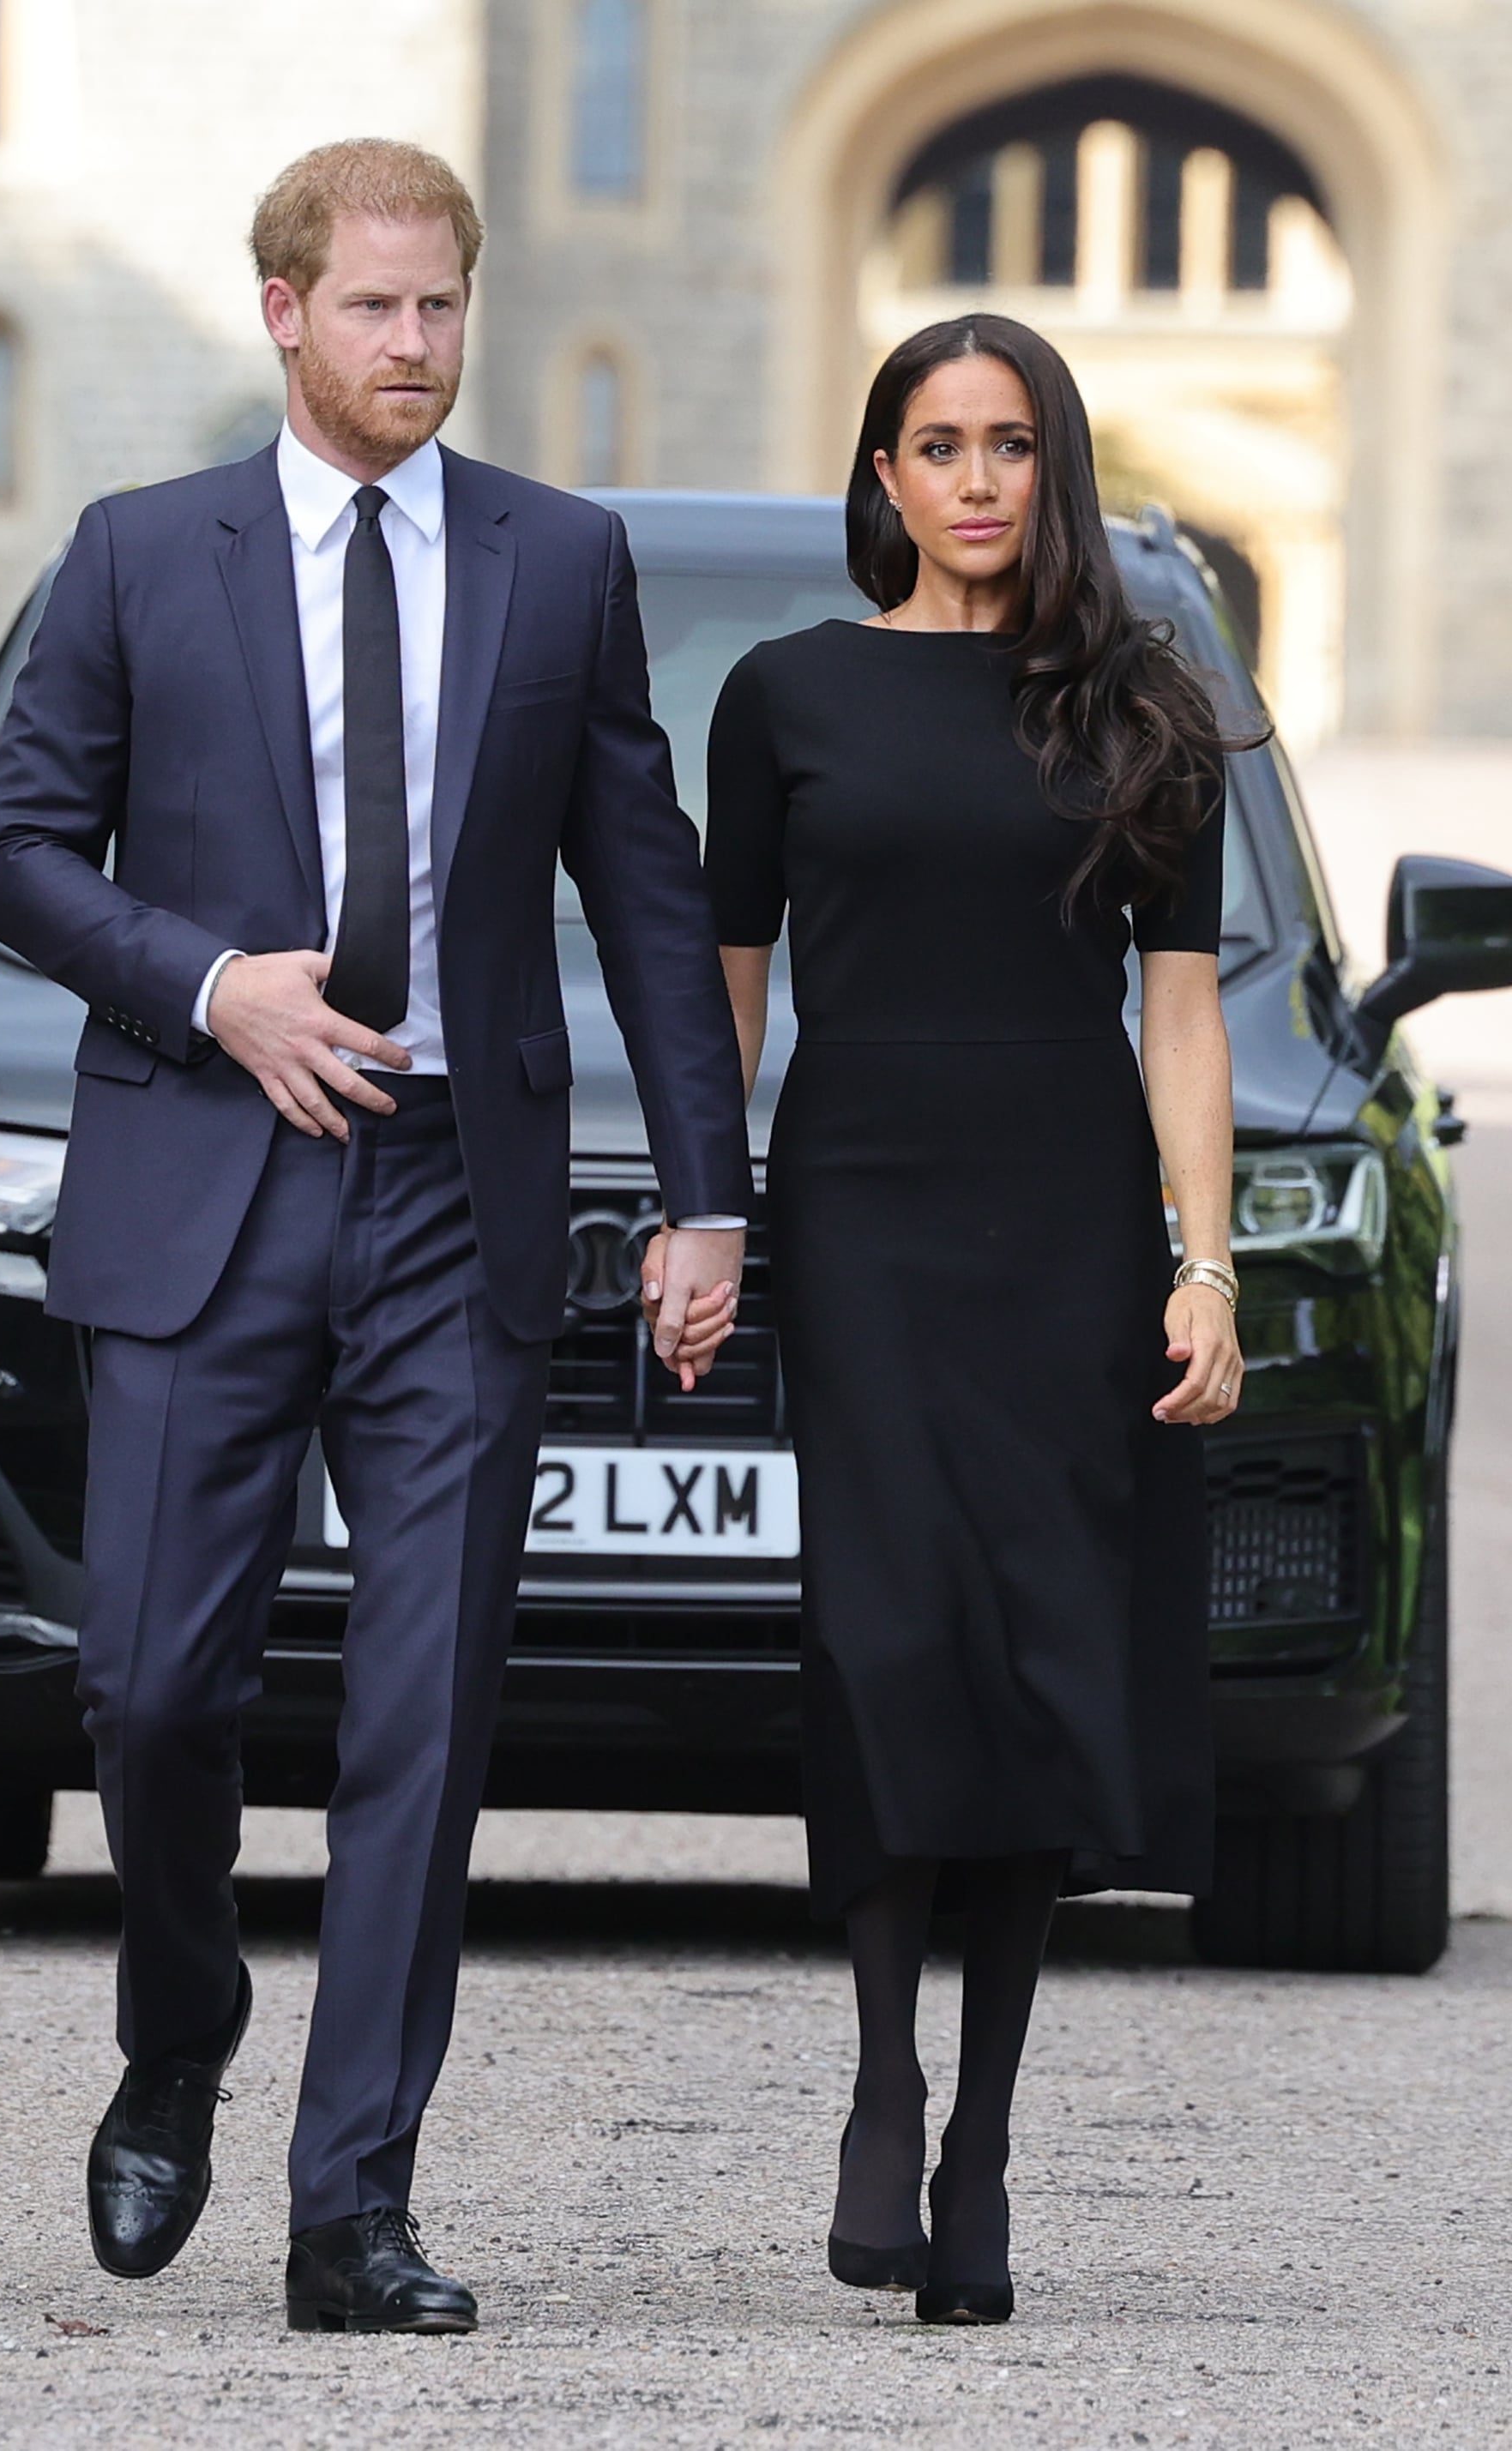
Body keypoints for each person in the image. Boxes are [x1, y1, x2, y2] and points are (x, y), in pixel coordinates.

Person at [0, 138, 750, 2336]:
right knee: (148, 1688)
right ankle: (180, 2023)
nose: (415, 347)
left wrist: (708, 1191)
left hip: (453, 1203)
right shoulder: (139, 556)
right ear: (286, 311)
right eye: (376, 308)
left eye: (444, 309)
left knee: (423, 1712)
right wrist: (214, 985)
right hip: (205, 1186)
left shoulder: (558, 560)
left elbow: (649, 892)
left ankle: (353, 2205)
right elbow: (16, 858)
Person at [676, 310, 1242, 2327]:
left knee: (1033, 1660)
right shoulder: (785, 696)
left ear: (1050, 467)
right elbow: (723, 989)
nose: (979, 478)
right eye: (940, 443)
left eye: (1012, 443)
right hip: (863, 1212)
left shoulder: (1142, 706)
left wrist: (1204, 1261)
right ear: (885, 474)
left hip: (1067, 1225)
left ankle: (980, 2139)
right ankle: (880, 2070)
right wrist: (704, 1216)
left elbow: (1181, 1016)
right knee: (889, 1631)